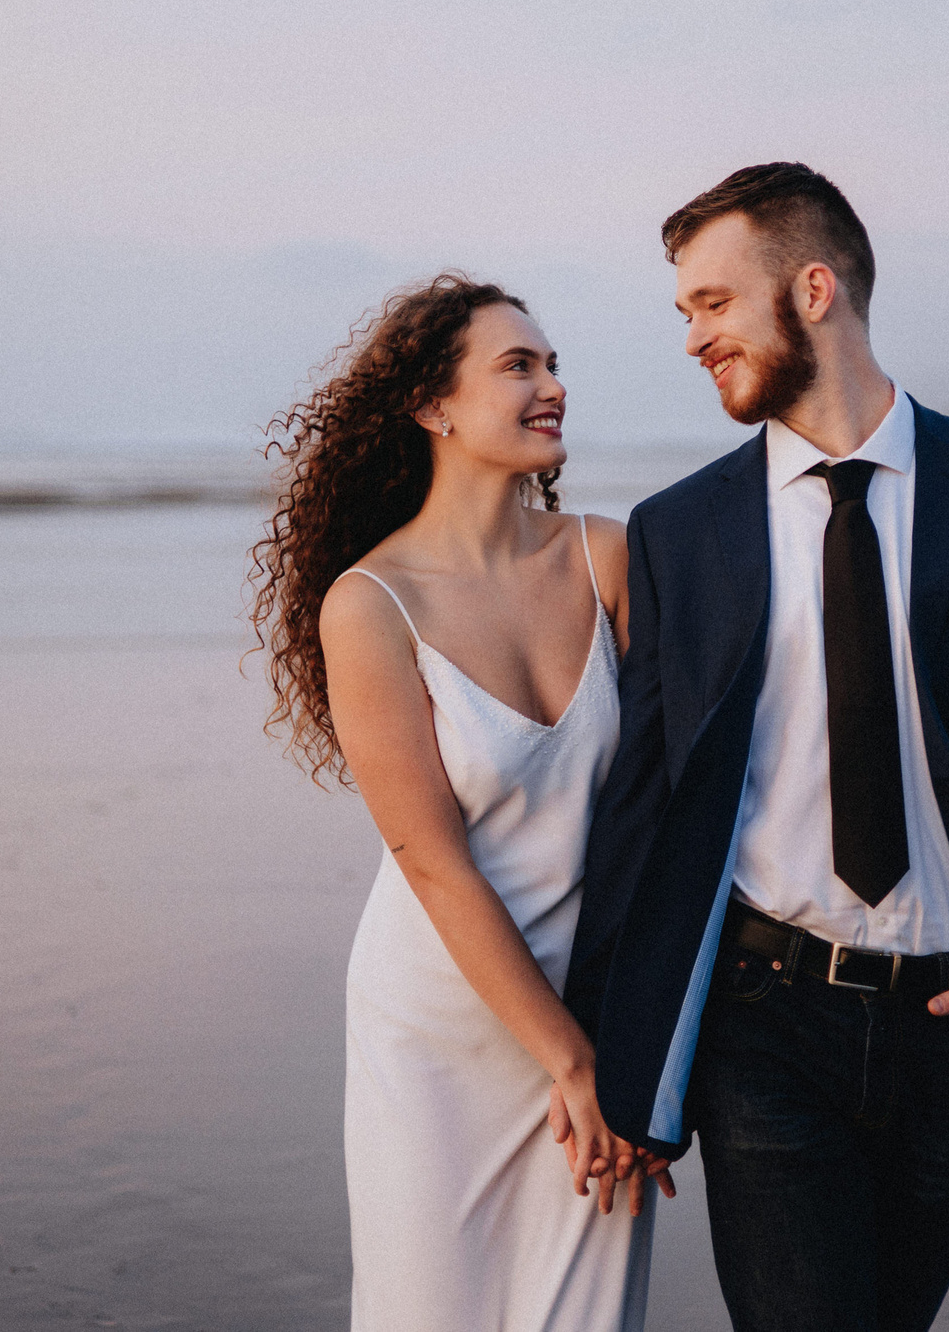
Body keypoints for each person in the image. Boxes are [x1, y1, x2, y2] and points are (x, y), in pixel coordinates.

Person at [566, 164, 949, 1332]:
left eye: (713, 304)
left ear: (812, 289)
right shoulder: (683, 530)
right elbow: (645, 805)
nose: (693, 339)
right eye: (685, 313)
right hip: (763, 1019)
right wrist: (614, 1052)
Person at [250, 274, 671, 1332]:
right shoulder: (371, 603)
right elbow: (431, 859)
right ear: (433, 406)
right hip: (442, 1029)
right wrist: (566, 1055)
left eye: (554, 364)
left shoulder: (608, 555)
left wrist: (621, 1048)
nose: (553, 387)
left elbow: (675, 800)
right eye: (518, 366)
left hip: (594, 1010)